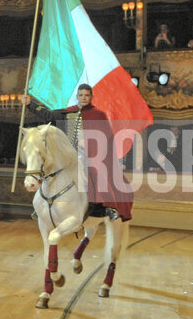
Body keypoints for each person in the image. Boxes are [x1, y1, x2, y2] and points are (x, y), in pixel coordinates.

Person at [24, 84, 133, 220]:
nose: (83, 98)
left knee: (97, 172)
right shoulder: (67, 113)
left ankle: (106, 207)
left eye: (87, 95)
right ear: (77, 97)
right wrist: (29, 104)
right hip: (67, 155)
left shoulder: (98, 115)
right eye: (81, 95)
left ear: (91, 97)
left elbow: (106, 138)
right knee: (48, 168)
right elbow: (47, 114)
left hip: (89, 155)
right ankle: (43, 204)